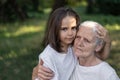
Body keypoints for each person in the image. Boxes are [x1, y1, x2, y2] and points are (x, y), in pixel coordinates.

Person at [32, 21, 120, 80]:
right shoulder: (70, 59)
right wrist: (36, 73)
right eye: (78, 37)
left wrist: (108, 42)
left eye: (87, 40)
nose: (79, 43)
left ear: (98, 47)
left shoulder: (107, 74)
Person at [33, 7, 80, 80]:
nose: (70, 33)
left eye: (73, 28)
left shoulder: (73, 48)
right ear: (55, 30)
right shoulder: (49, 56)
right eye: (64, 29)